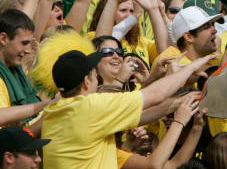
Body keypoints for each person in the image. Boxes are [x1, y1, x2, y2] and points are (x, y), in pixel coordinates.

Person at [41, 48, 215, 167]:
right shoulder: (90, 107)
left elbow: (141, 115)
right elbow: (156, 94)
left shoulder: (53, 112)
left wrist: (177, 103)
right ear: (87, 81)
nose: (97, 78)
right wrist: (192, 65)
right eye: (95, 75)